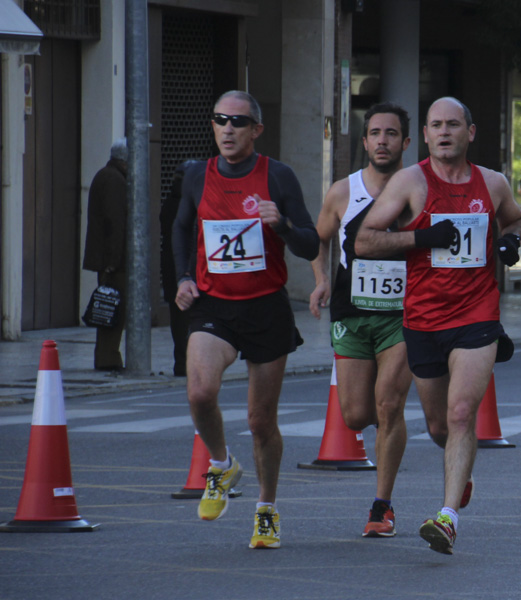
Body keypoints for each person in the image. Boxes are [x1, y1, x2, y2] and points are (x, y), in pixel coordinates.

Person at [354, 97, 521, 555]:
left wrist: (509, 243)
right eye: (436, 125)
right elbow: (364, 241)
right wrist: (422, 237)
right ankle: (460, 470)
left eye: (454, 124)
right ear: (426, 136)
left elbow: (517, 219)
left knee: (460, 413)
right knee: (438, 426)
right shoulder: (410, 182)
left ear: (471, 133)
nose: (445, 132)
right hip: (424, 319)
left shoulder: (491, 183)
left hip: (477, 314)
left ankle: (447, 517)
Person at [172, 90, 320, 549]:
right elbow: (179, 227)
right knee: (200, 392)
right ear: (213, 126)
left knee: (260, 422)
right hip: (213, 305)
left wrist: (282, 227)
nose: (228, 129)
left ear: (256, 129)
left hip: (265, 308)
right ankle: (220, 464)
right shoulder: (197, 175)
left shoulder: (278, 176)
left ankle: (266, 508)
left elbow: (312, 244)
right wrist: (182, 278)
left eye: (238, 121)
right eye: (220, 120)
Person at [308, 103, 414, 538]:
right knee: (355, 415)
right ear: (365, 141)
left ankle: (381, 506)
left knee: (389, 405)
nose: (383, 141)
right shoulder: (342, 192)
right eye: (375, 133)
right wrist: (320, 281)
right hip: (352, 312)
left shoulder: (420, 188)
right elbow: (319, 240)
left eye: (392, 133)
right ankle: (389, 431)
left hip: (404, 315)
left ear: (406, 142)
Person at [83, 138, 129, 371]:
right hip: (114, 261)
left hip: (110, 258)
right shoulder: (114, 180)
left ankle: (108, 356)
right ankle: (108, 358)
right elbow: (115, 222)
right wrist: (112, 262)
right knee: (113, 309)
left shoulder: (108, 176)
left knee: (110, 307)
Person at [160, 159, 203, 377]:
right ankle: (188, 363)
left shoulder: (170, 203)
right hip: (184, 270)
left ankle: (182, 361)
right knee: (189, 319)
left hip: (173, 270)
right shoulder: (186, 204)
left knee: (179, 320)